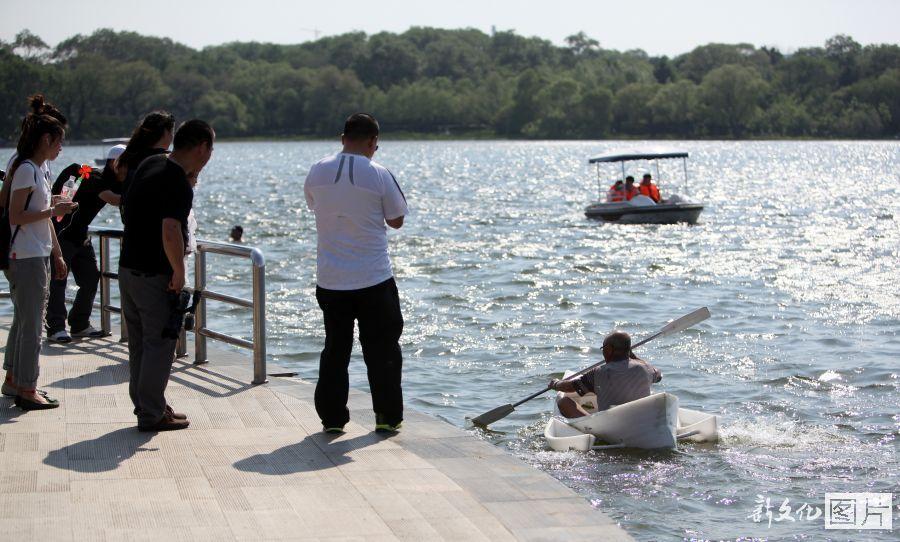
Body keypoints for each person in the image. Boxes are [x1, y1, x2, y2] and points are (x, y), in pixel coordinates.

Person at [304, 113, 409, 434]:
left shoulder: (317, 171)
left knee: (336, 349)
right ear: (372, 141)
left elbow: (313, 205)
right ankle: (387, 417)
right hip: (373, 278)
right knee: (383, 351)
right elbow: (397, 219)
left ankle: (333, 419)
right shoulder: (378, 173)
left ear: (342, 138)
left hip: (331, 279)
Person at [118, 119, 214, 432]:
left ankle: (149, 404)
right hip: (153, 272)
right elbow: (170, 228)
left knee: (140, 344)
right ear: (202, 147)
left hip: (128, 267)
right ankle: (151, 412)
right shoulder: (175, 180)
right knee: (161, 343)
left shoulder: (151, 163)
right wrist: (179, 270)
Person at [2, 107, 77, 410]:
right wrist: (52, 211)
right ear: (45, 139)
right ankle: (27, 387)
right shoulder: (26, 169)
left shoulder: (35, 170)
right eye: (59, 141)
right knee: (33, 325)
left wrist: (54, 205)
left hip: (35, 252)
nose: (61, 148)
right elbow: (16, 214)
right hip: (26, 255)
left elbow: (33, 211)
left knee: (25, 321)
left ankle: (15, 380)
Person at [45, 144, 126, 343]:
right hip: (63, 235)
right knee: (58, 280)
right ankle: (55, 327)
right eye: (128, 165)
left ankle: (79, 324)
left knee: (90, 278)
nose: (131, 170)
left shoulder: (112, 180)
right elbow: (115, 200)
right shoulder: (96, 179)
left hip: (81, 237)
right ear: (115, 164)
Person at [549, 331, 662, 418]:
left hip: (610, 426)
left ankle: (591, 429)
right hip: (640, 420)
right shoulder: (645, 368)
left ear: (608, 350)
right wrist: (633, 356)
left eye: (603, 349)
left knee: (563, 402)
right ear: (628, 350)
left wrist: (556, 384)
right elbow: (658, 375)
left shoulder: (597, 372)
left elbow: (569, 387)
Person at [117, 111, 175, 223]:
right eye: (172, 132)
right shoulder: (167, 160)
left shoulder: (130, 157)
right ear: (165, 132)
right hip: (155, 231)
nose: (172, 137)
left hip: (132, 230)